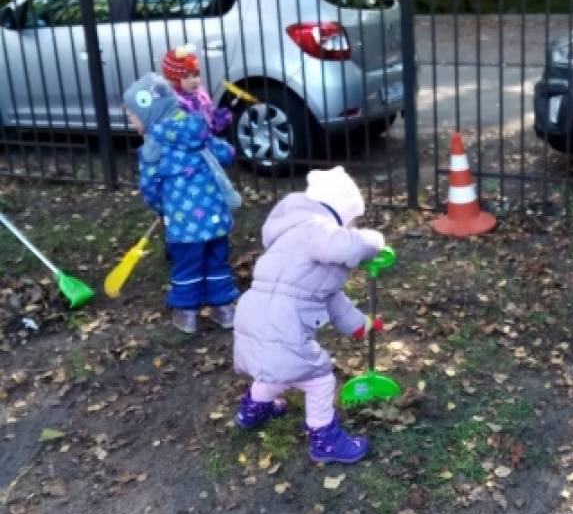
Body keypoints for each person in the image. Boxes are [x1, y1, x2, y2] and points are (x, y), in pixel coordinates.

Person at [233, 166, 385, 464]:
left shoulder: (291, 237)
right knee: (319, 378)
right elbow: (344, 244)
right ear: (338, 212)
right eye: (352, 222)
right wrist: (371, 241)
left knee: (276, 366)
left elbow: (331, 297)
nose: (351, 229)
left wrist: (359, 327)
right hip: (282, 322)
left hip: (253, 315)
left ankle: (252, 410)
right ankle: (324, 438)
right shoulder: (317, 227)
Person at [122, 73, 240, 334]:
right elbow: (224, 153)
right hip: (214, 217)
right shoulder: (196, 129)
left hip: (183, 222)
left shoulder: (154, 146)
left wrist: (158, 208)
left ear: (149, 112)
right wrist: (224, 151)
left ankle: (187, 313)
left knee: (188, 265)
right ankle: (225, 310)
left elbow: (150, 185)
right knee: (217, 260)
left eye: (132, 116)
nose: (131, 123)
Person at [161, 45, 234, 135]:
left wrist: (219, 118)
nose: (194, 80)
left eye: (196, 74)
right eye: (186, 76)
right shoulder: (176, 102)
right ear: (174, 79)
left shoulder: (199, 92)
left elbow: (208, 115)